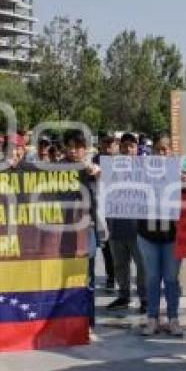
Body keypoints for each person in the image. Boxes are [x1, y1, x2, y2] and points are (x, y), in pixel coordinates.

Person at [137, 135, 183, 337]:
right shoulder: (141, 173)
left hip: (173, 236)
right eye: (158, 149)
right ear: (152, 152)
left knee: (171, 279)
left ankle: (173, 318)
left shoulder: (181, 174)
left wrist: (185, 183)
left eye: (166, 149)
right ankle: (152, 318)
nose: (162, 153)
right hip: (147, 235)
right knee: (153, 278)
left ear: (172, 153)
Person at [63, 130, 105, 328]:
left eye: (78, 147)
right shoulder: (56, 168)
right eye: (70, 146)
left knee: (87, 277)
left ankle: (88, 320)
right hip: (61, 232)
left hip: (86, 230)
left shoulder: (93, 169)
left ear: (86, 149)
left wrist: (97, 176)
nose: (74, 151)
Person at [106, 132, 148, 313]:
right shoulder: (111, 167)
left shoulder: (147, 168)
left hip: (139, 228)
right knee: (120, 264)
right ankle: (123, 296)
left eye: (132, 146)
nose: (128, 149)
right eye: (125, 146)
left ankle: (145, 298)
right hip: (117, 226)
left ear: (137, 148)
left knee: (142, 266)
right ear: (120, 148)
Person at [94, 134, 118, 290]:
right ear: (100, 145)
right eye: (106, 143)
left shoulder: (123, 161)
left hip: (121, 210)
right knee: (107, 246)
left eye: (111, 143)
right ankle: (111, 276)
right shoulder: (94, 162)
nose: (109, 146)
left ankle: (122, 278)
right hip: (102, 210)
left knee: (122, 246)